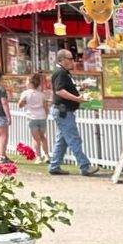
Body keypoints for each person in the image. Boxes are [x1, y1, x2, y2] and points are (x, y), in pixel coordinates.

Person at [49, 48, 94, 176]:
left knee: (62, 140)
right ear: (61, 60)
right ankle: (84, 166)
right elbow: (59, 91)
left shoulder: (64, 73)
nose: (72, 61)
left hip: (63, 110)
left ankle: (54, 165)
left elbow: (66, 89)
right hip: (63, 110)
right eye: (70, 59)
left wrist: (80, 88)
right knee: (74, 139)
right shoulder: (61, 73)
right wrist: (77, 98)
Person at [18, 71, 50, 161]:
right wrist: (46, 115)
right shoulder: (42, 95)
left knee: (36, 139)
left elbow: (20, 105)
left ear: (30, 83)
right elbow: (46, 107)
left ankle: (39, 157)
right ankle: (47, 155)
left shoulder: (25, 93)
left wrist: (24, 102)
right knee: (43, 137)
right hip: (42, 117)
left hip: (32, 117)